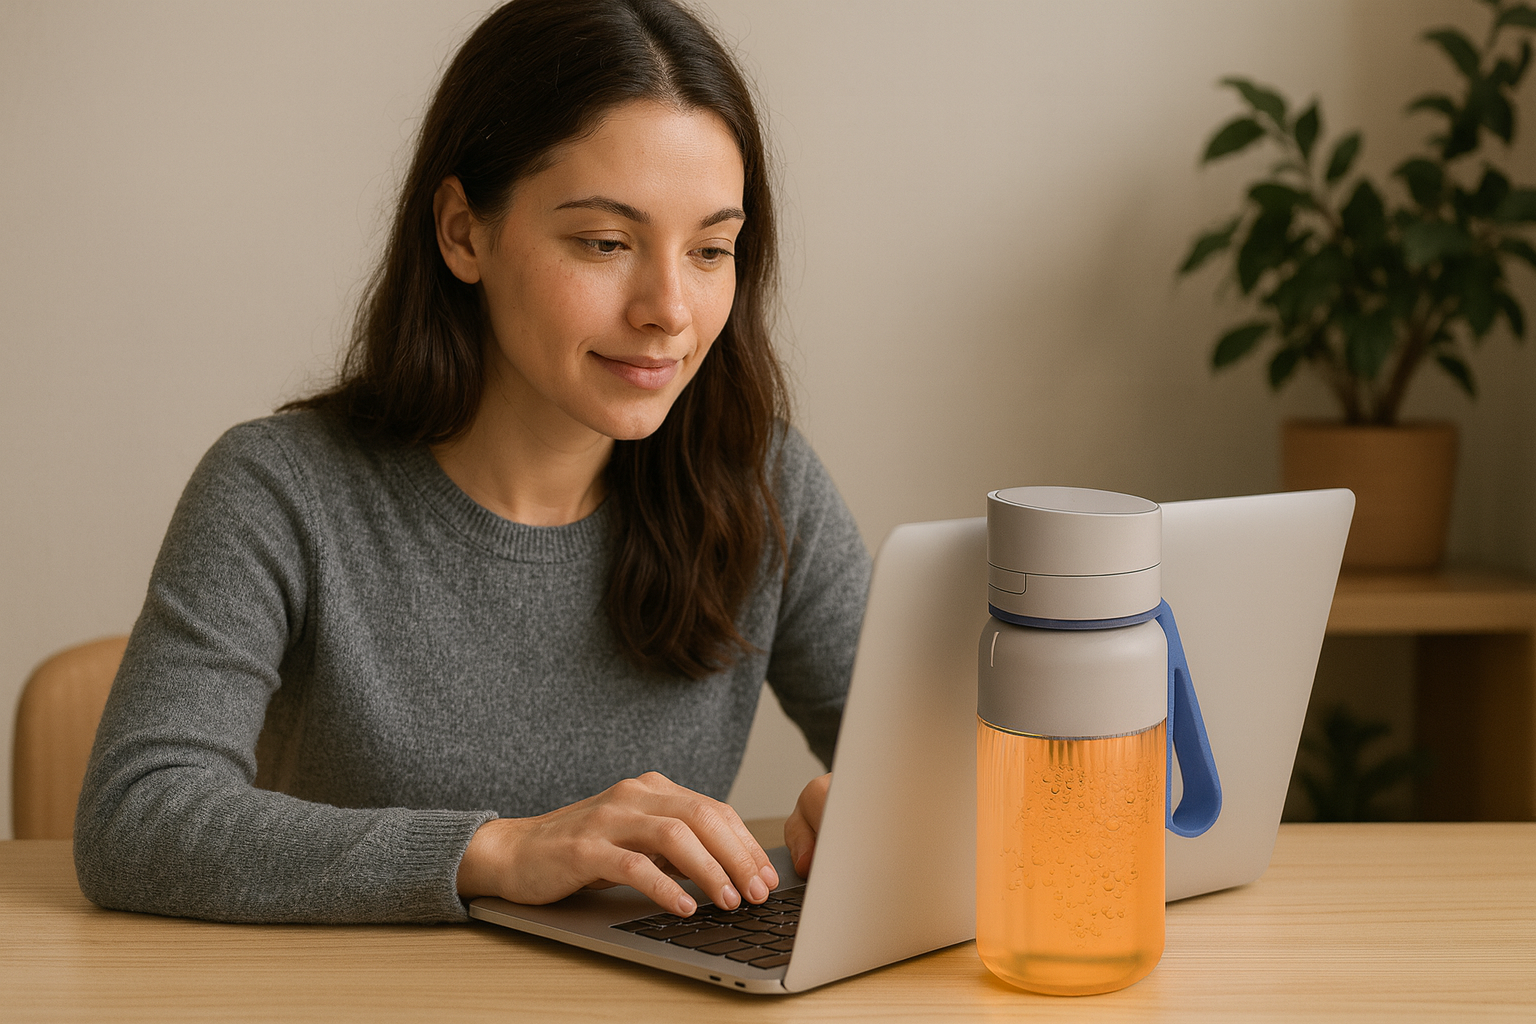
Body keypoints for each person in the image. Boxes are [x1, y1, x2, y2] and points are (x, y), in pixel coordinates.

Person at [72, 0, 870, 925]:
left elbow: (953, 770)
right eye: (606, 243)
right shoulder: (280, 489)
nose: (669, 309)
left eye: (710, 250)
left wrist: (884, 810)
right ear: (462, 232)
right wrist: (499, 851)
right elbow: (137, 818)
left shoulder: (760, 478)